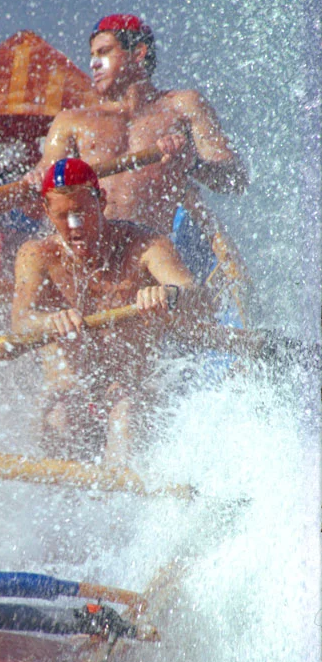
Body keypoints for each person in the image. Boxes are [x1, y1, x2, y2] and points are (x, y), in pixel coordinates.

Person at [12, 158, 209, 465]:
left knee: (125, 418)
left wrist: (168, 294)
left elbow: (198, 295)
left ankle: (125, 510)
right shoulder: (35, 254)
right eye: (63, 216)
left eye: (82, 213)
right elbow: (20, 323)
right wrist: (50, 321)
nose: (75, 227)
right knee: (60, 416)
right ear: (46, 211)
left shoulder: (145, 244)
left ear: (101, 201)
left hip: (130, 392)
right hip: (68, 392)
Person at [29, 14, 248, 260]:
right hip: (86, 261)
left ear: (138, 53)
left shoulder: (184, 106)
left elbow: (236, 180)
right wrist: (35, 181)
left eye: (104, 52)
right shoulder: (70, 121)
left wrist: (192, 164)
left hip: (150, 258)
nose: (93, 64)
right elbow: (44, 184)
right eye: (92, 55)